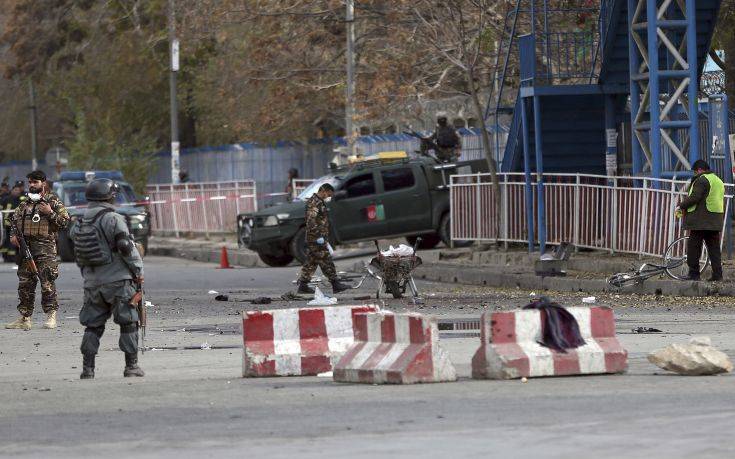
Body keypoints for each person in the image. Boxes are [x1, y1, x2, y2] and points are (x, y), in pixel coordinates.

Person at [70, 178, 145, 379]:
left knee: (92, 326)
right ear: (109, 196)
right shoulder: (113, 218)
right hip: (119, 282)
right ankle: (131, 367)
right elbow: (126, 248)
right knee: (128, 323)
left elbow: (77, 251)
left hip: (92, 284)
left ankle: (88, 369)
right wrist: (138, 272)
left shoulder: (79, 221)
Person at [5, 171, 69, 330]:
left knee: (47, 282)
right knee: (25, 284)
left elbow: (65, 222)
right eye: (30, 182)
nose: (32, 185)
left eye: (35, 182)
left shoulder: (52, 201)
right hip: (26, 250)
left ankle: (51, 315)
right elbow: (13, 221)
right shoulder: (24, 203)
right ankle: (25, 318)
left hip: (45, 249)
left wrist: (50, 213)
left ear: (43, 183)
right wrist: (13, 235)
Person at [296, 183, 351, 294]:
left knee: (311, 262)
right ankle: (335, 284)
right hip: (316, 238)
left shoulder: (319, 202)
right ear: (324, 190)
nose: (328, 197)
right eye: (328, 194)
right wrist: (318, 237)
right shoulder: (314, 202)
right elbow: (311, 221)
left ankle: (303, 285)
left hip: (317, 238)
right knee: (326, 260)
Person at [677, 160, 725, 282]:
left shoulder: (702, 180)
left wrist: (681, 206)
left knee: (693, 247)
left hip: (700, 221)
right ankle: (717, 275)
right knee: (714, 249)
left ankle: (694, 274)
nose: (694, 174)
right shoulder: (718, 180)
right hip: (715, 220)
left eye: (695, 172)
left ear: (699, 170)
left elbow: (695, 197)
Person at [1, 182, 24, 262]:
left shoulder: (20, 199)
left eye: (18, 190)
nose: (17, 191)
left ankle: (10, 256)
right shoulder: (6, 199)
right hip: (6, 223)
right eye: (15, 190)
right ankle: (6, 255)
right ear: (12, 190)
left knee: (12, 240)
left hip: (14, 224)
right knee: (6, 240)